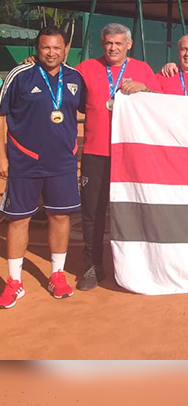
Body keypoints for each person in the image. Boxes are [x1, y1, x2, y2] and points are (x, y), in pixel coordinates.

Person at [0, 26, 85, 308]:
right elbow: (2, 115)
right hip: (25, 160)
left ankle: (57, 275)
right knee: (18, 219)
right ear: (37, 48)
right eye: (46, 47)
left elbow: (90, 108)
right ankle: (14, 281)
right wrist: (2, 157)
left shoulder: (75, 77)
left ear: (66, 49)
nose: (51, 53)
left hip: (62, 162)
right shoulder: (19, 75)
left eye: (57, 47)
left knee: (60, 217)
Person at [74, 23, 161, 291]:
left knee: (134, 211)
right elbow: (63, 86)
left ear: (129, 44)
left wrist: (145, 89)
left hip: (131, 155)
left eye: (118, 43)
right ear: (102, 43)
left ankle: (136, 267)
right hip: (96, 153)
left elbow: (161, 103)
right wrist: (34, 62)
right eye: (108, 43)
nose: (113, 48)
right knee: (93, 212)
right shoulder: (86, 68)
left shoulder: (143, 70)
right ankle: (93, 265)